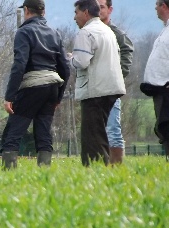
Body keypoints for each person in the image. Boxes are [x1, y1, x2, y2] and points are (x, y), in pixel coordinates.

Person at [0, 0, 70, 170]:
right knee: (43, 132)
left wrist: (10, 96)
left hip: (32, 87)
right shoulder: (55, 33)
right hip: (52, 87)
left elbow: (19, 65)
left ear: (26, 10)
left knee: (12, 132)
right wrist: (59, 96)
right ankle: (44, 172)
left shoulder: (24, 32)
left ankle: (9, 174)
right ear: (43, 12)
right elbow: (65, 68)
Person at [69, 0, 125, 166]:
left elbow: (82, 62)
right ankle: (104, 166)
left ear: (85, 13)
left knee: (92, 135)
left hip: (95, 89)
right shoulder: (107, 30)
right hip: (111, 88)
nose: (74, 17)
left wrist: (69, 59)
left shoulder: (86, 32)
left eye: (76, 13)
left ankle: (95, 169)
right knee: (101, 131)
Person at [98, 0, 134, 164]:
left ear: (110, 9)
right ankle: (99, 164)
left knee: (112, 128)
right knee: (97, 129)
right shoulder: (91, 31)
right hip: (95, 88)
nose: (98, 10)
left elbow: (127, 51)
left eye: (102, 7)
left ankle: (116, 168)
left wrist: (119, 74)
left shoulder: (116, 33)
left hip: (111, 89)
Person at [140, 0, 169, 161]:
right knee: (163, 127)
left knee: (166, 126)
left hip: (165, 89)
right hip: (159, 89)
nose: (155, 8)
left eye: (157, 4)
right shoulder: (165, 30)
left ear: (164, 6)